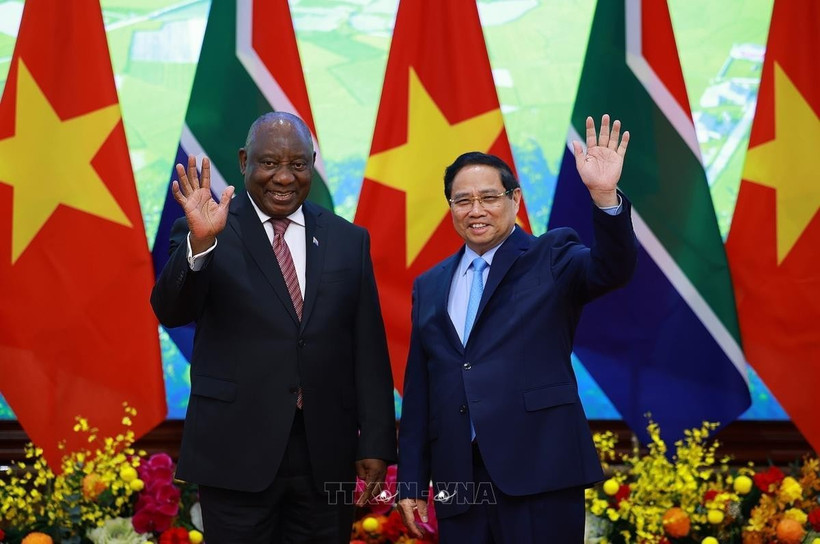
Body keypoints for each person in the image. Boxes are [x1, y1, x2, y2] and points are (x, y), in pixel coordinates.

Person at [150, 111, 397, 543]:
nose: (284, 177)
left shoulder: (346, 239)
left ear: (312, 163)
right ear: (244, 160)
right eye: (268, 163)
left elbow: (368, 347)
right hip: (235, 450)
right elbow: (172, 310)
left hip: (325, 453)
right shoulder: (206, 228)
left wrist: (376, 441)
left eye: (298, 165)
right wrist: (201, 244)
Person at [396, 114, 637, 543]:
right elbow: (420, 391)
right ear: (450, 206)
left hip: (538, 470)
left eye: (488, 197)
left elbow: (612, 269)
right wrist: (412, 481)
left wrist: (604, 196)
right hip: (459, 483)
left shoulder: (552, 256)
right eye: (462, 200)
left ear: (516, 199)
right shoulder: (430, 284)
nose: (475, 210)